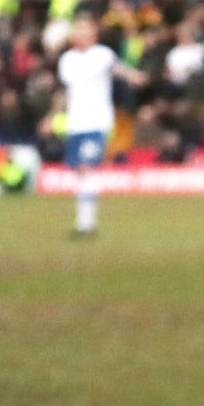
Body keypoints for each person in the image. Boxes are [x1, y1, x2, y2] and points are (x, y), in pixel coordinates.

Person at [55, 14, 141, 239]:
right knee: (79, 169)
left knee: (86, 166)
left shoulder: (102, 55)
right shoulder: (67, 59)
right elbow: (66, 92)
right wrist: (52, 115)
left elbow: (118, 68)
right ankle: (84, 221)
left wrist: (133, 76)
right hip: (75, 122)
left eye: (85, 29)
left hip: (96, 120)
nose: (81, 33)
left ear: (93, 34)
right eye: (78, 29)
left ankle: (86, 224)